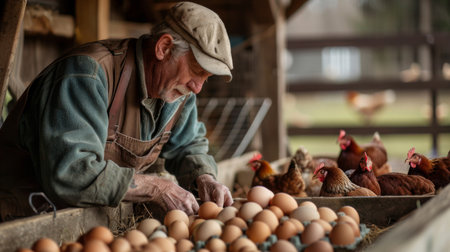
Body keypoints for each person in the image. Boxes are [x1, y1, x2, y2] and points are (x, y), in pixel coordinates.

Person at [0, 1, 234, 221]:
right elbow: (71, 171)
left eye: (206, 78)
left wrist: (204, 177)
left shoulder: (177, 90)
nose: (197, 87)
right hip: (22, 218)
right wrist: (155, 187)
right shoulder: (88, 74)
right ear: (163, 48)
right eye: (196, 69)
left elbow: (187, 145)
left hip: (84, 223)